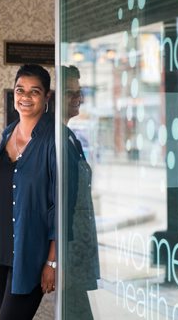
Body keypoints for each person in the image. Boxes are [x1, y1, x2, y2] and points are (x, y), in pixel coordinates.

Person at [0, 64, 56, 320]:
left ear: (46, 97)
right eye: (20, 90)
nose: (25, 97)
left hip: (30, 258)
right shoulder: (8, 133)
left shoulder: (54, 141)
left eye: (34, 91)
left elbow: (61, 206)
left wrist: (52, 262)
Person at [61, 65, 100, 320]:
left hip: (77, 253)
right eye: (70, 92)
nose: (79, 98)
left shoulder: (69, 138)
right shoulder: (54, 140)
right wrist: (56, 261)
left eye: (80, 91)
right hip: (67, 256)